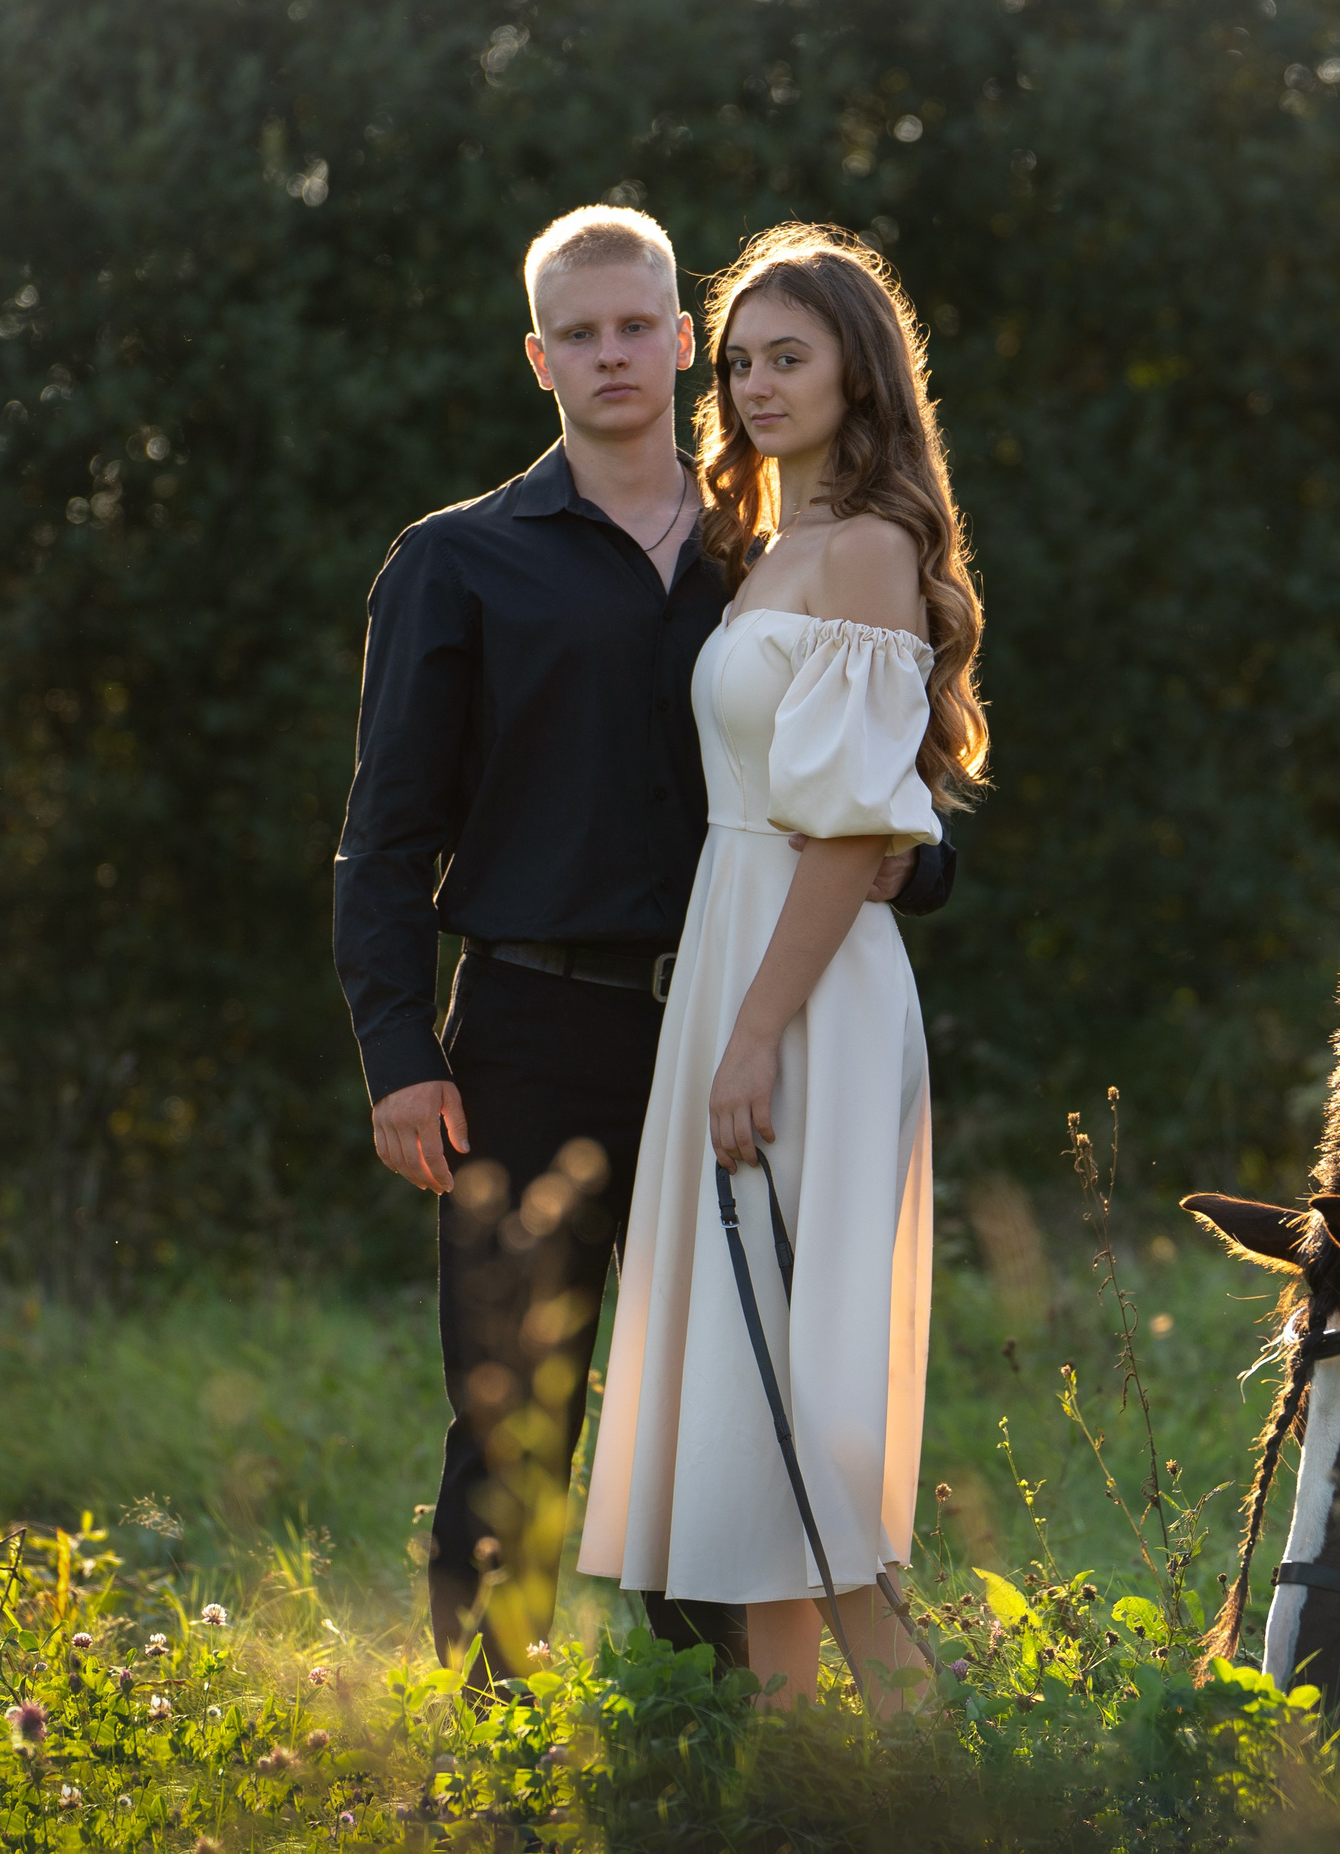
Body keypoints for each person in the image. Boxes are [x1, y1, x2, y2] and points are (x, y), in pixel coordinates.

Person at [331, 205, 957, 1685]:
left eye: (638, 327)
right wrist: (399, 1051)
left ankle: (716, 1724)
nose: (611, 354)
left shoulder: (766, 551)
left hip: (740, 1020)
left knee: (723, 1392)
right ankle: (495, 1734)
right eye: (579, 333)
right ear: (538, 357)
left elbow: (880, 773)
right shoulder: (456, 562)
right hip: (532, 1030)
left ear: (681, 342)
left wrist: (917, 861)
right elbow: (387, 831)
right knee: (513, 1405)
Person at [577, 224, 988, 1714]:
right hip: (738, 956)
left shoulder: (868, 549)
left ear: (857, 373)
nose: (755, 385)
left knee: (794, 1380)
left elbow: (849, 833)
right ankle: (795, 1762)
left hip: (804, 992)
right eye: (740, 362)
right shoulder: (769, 551)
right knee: (747, 1397)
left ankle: (927, 1747)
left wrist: (752, 1036)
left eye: (789, 358)